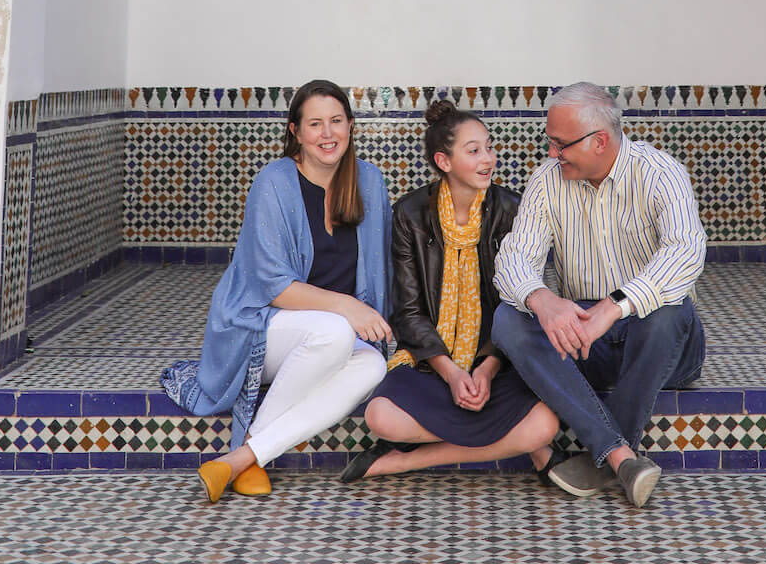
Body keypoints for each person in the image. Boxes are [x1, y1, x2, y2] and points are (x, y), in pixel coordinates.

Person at [161, 79, 392, 503]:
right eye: (315, 124)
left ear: (352, 126)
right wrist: (347, 308)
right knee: (335, 332)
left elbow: (380, 270)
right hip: (260, 330)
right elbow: (273, 288)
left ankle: (244, 457)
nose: (328, 134)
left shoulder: (370, 183)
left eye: (337, 121)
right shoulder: (274, 182)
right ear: (295, 132)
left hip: (327, 337)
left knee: (372, 366)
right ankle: (249, 450)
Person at [492, 81, 706, 509]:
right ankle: (622, 458)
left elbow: (686, 251)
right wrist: (541, 298)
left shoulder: (660, 172)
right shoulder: (547, 182)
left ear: (600, 141)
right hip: (584, 339)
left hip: (660, 341)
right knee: (507, 319)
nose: (552, 153)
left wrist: (617, 305)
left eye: (560, 144)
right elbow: (513, 259)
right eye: (550, 142)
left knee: (668, 312)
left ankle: (603, 453)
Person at [342, 98, 560, 482]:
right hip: (432, 362)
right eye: (474, 151)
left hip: (498, 362)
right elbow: (407, 313)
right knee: (380, 417)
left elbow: (519, 305)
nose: (488, 159)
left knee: (544, 424)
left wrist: (486, 371)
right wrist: (453, 374)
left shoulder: (512, 210)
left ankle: (405, 460)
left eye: (489, 148)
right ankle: (514, 444)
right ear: (444, 162)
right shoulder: (410, 215)